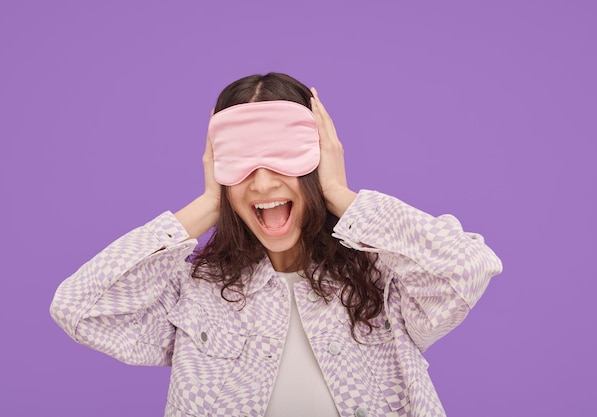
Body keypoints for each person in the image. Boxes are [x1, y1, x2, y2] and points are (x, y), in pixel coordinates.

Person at [50, 72, 503, 417]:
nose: (263, 180)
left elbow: (468, 266)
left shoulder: (384, 279)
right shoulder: (191, 289)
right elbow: (76, 307)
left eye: (284, 156)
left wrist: (341, 195)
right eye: (241, 162)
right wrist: (209, 203)